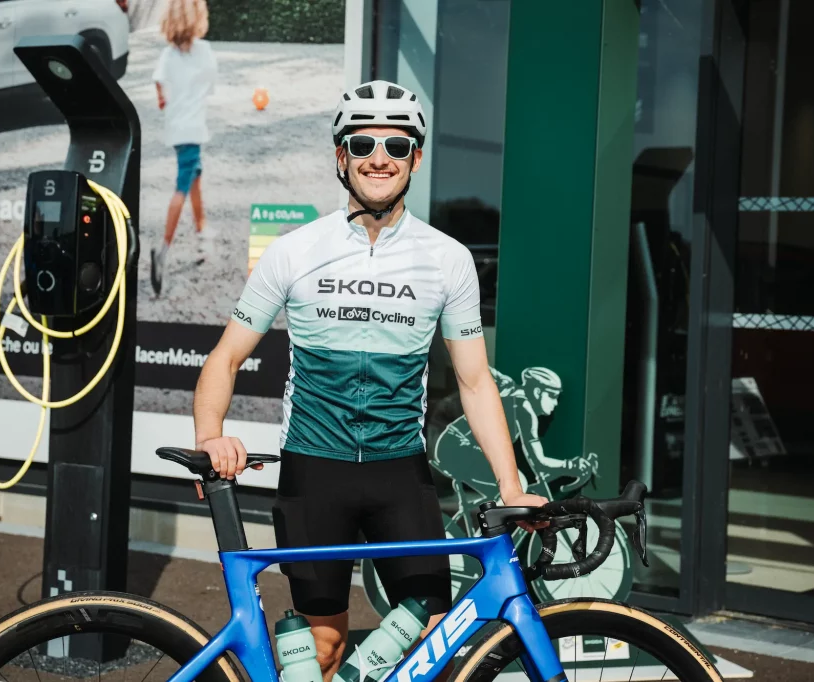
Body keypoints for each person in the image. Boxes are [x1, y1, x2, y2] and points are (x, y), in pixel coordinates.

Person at [191, 80, 547, 682]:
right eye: (363, 143)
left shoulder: (447, 259)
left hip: (398, 472)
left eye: (397, 144)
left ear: (416, 158)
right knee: (323, 647)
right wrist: (210, 437)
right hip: (314, 469)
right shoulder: (296, 250)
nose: (379, 157)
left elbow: (476, 381)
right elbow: (224, 359)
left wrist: (510, 487)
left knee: (436, 634)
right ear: (341, 156)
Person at [431, 366, 599, 534]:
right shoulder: (524, 409)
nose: (555, 403)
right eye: (553, 396)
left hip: (452, 445)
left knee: (511, 486)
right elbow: (539, 462)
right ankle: (488, 541)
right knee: (516, 482)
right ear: (538, 392)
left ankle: (486, 537)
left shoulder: (513, 392)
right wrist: (571, 466)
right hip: (457, 447)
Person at [150, 0, 218, 296]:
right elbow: (210, 87)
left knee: (195, 178)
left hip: (177, 131)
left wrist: (165, 99)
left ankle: (203, 233)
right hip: (193, 130)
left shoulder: (167, 55)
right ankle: (163, 248)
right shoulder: (204, 51)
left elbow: (159, 85)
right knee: (182, 186)